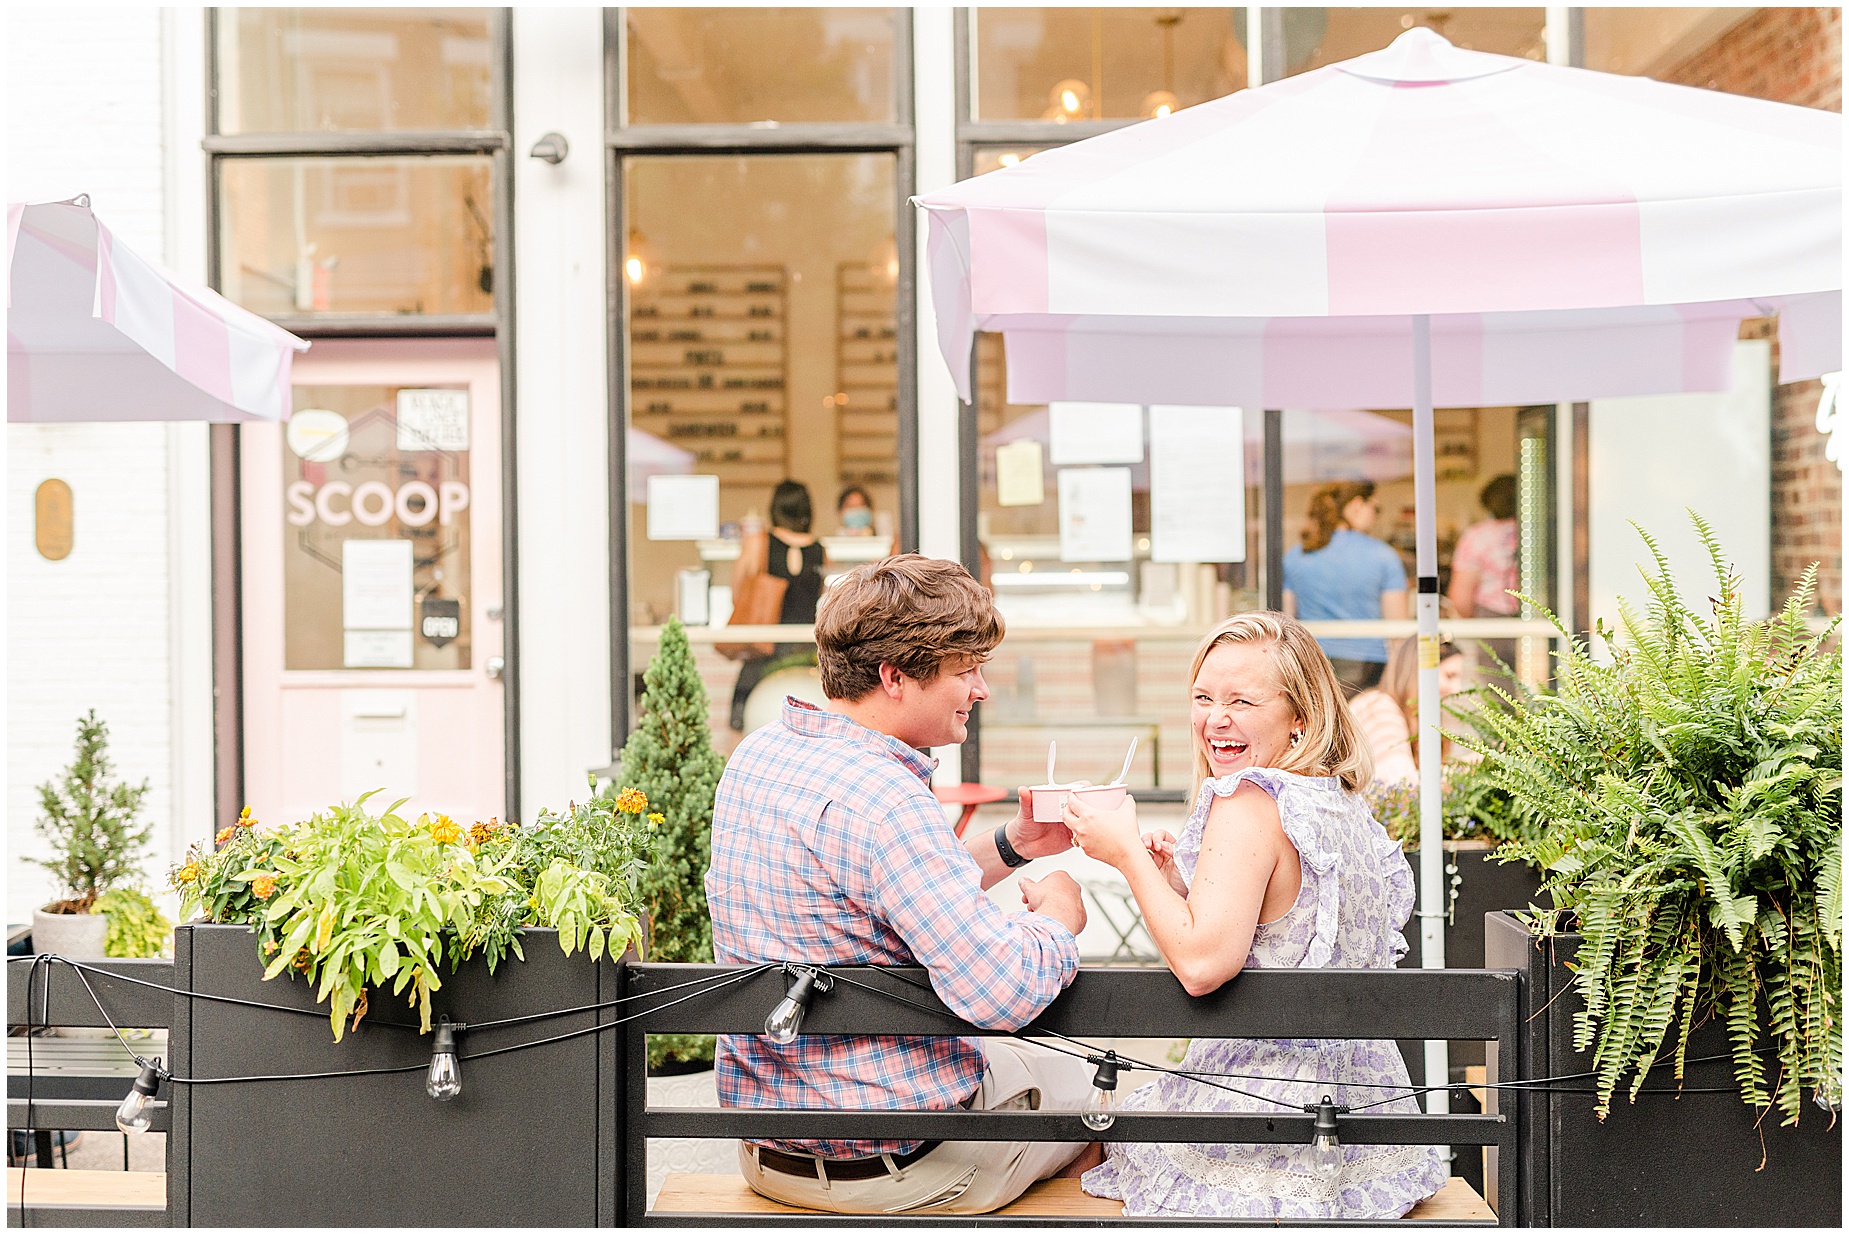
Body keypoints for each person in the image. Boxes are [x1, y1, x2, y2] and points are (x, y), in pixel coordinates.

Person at [707, 553, 1096, 1215]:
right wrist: (1058, 919)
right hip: (895, 1162)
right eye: (964, 670)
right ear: (893, 676)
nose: (980, 689)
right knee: (1095, 1093)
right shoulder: (885, 795)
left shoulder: (760, 754)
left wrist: (1015, 843)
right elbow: (1000, 991)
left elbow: (880, 889)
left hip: (766, 1148)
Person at [1062, 612, 1447, 1220]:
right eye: (1204, 698)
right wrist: (1166, 880)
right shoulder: (1341, 803)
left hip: (1267, 1121)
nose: (1217, 718)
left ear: (1302, 717)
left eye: (1242, 700)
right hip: (1373, 1126)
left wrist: (1127, 853)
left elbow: (1201, 964)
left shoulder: (1248, 800)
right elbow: (1276, 932)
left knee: (1076, 1139)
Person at [1282, 481, 1409, 695]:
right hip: (1368, 666)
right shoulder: (1383, 556)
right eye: (1375, 508)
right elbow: (1398, 632)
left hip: (1311, 662)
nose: (1376, 517)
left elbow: (1285, 620)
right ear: (1356, 506)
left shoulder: (1296, 556)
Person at [728, 480, 829, 732]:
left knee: (740, 713)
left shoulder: (758, 542)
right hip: (806, 649)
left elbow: (737, 590)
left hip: (765, 647)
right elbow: (822, 595)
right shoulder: (820, 550)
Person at [1347, 636, 1467, 786]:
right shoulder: (1377, 706)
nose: (1457, 689)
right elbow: (1398, 785)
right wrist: (1470, 767)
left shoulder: (1402, 713)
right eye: (1449, 676)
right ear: (1418, 672)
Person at [1447, 474, 1520, 694]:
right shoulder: (1540, 532)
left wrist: (1475, 620)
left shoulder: (1477, 536)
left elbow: (1460, 598)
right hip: (1538, 619)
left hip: (1490, 621)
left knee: (1498, 697)